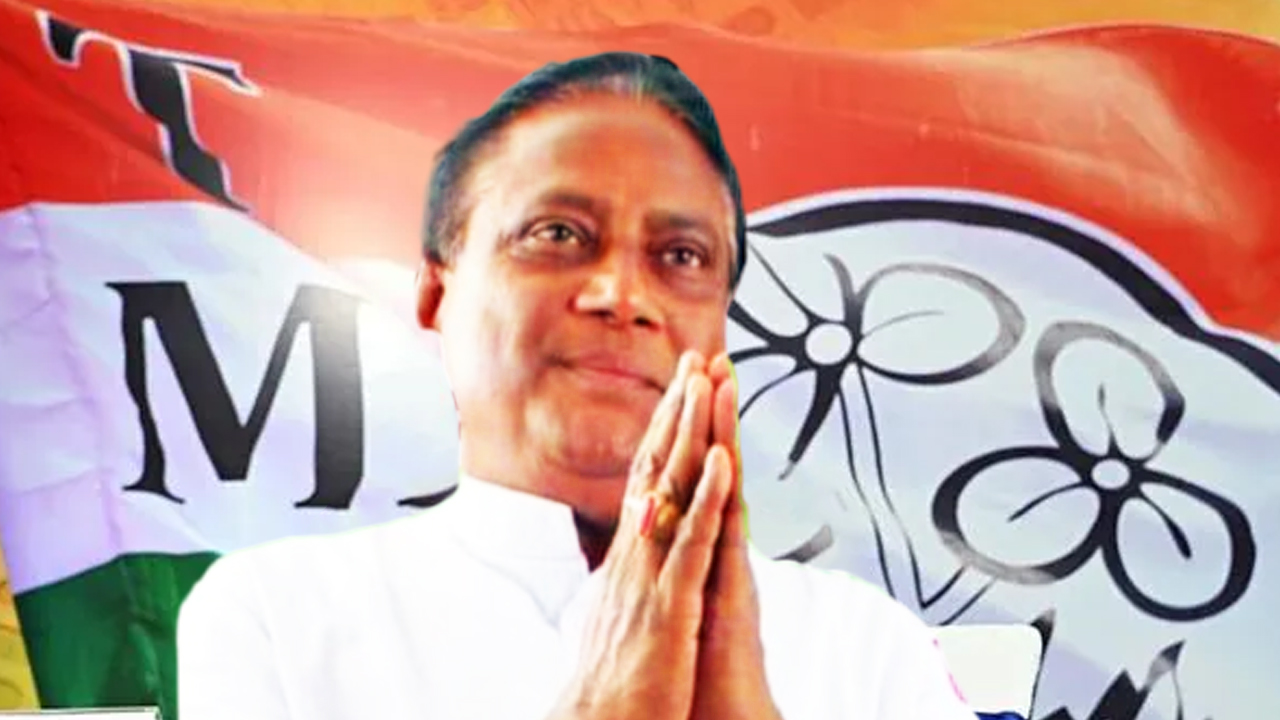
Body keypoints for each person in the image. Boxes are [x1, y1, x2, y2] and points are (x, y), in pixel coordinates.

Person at [177, 52, 976, 720]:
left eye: (682, 256)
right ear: (436, 292)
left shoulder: (868, 649)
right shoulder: (277, 617)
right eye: (557, 234)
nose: (621, 296)